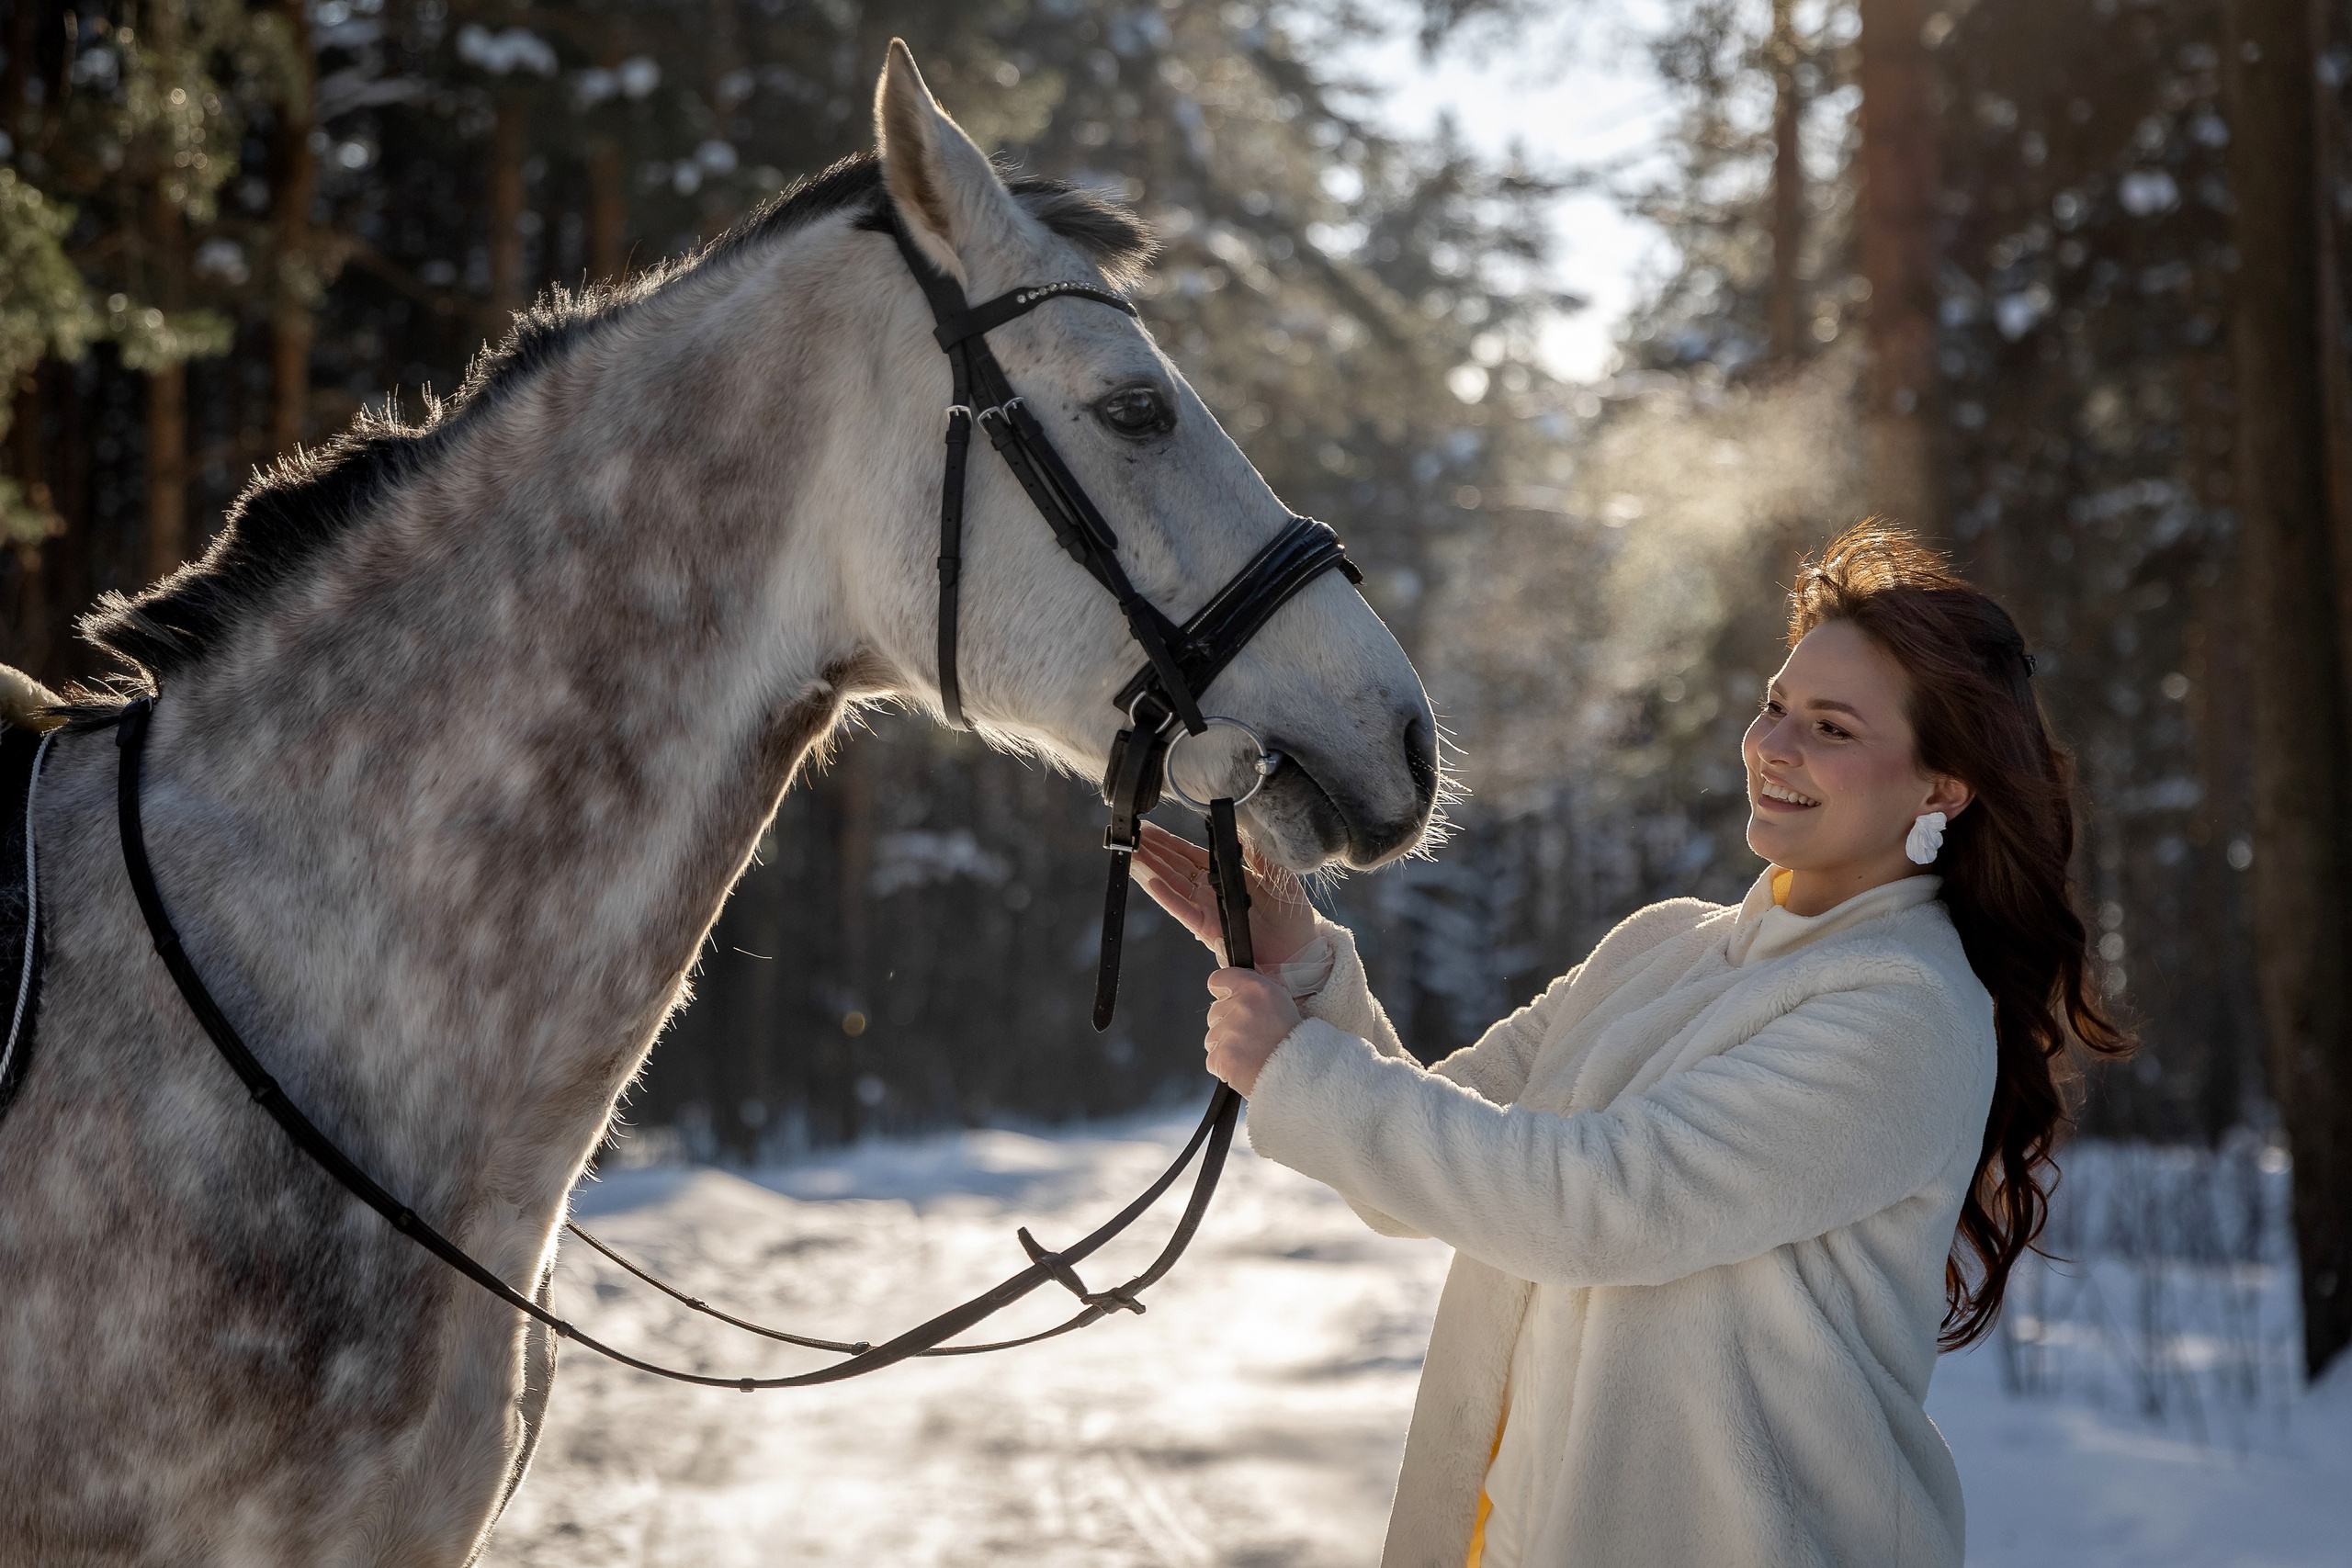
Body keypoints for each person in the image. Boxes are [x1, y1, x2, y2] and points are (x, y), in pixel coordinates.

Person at [1134, 523, 2129, 1568]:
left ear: (1941, 788)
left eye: (1832, 728)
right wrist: (1300, 962)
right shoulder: (1659, 949)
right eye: (1774, 707)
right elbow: (1425, 1160)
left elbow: (1594, 1204)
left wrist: (1292, 1069)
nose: (1773, 748)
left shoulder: (1904, 1010)